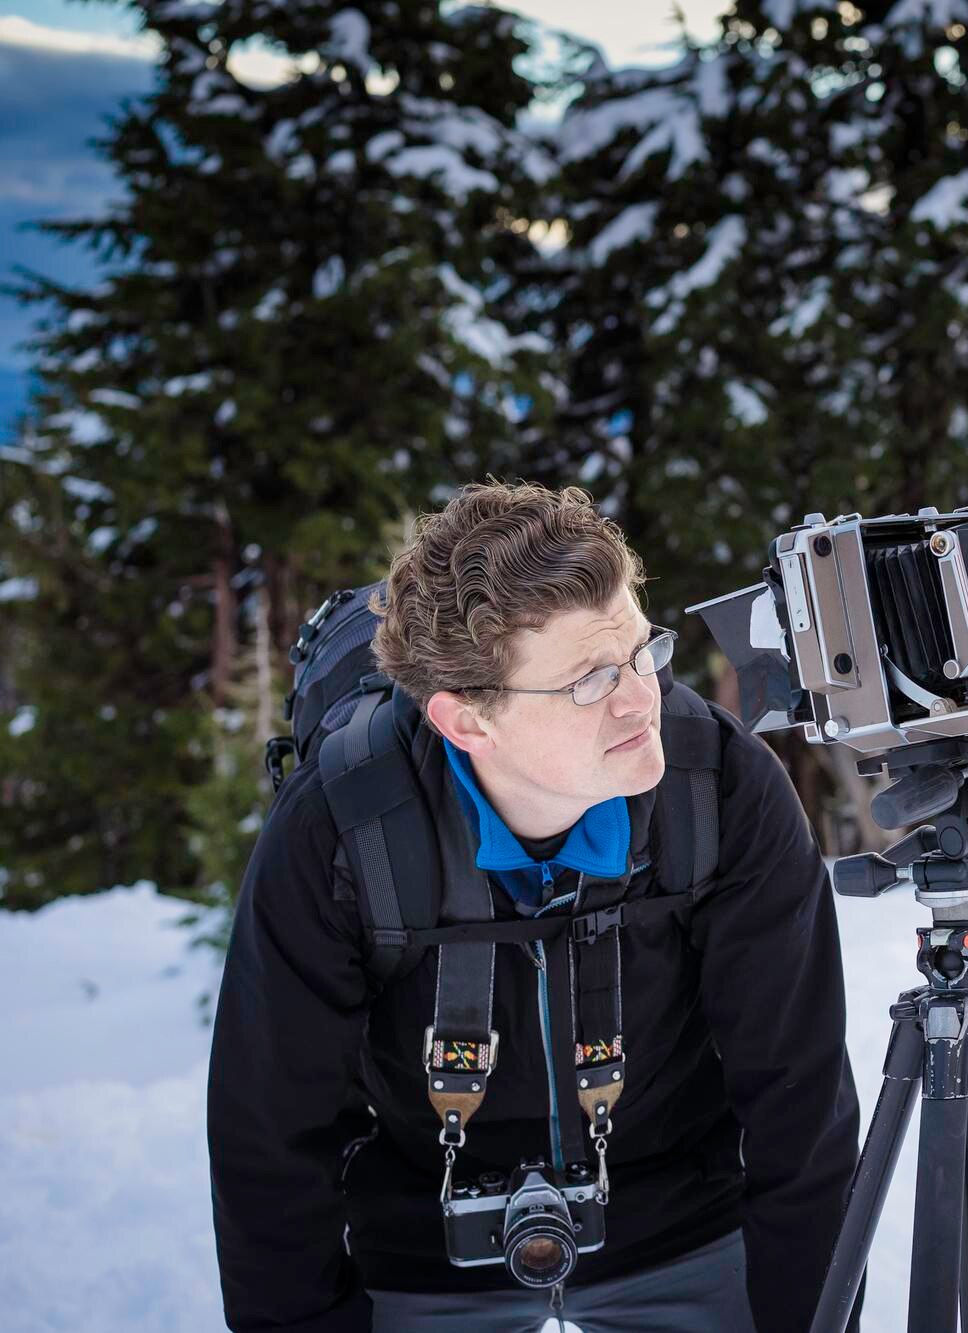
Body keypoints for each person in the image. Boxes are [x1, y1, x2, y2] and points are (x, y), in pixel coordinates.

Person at [206, 481, 860, 1331]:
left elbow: (800, 1106)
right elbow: (270, 1140)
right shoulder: (343, 827)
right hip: (425, 1246)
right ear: (468, 721)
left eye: (641, 651)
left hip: (682, 1220)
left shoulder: (718, 787)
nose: (641, 698)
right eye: (590, 681)